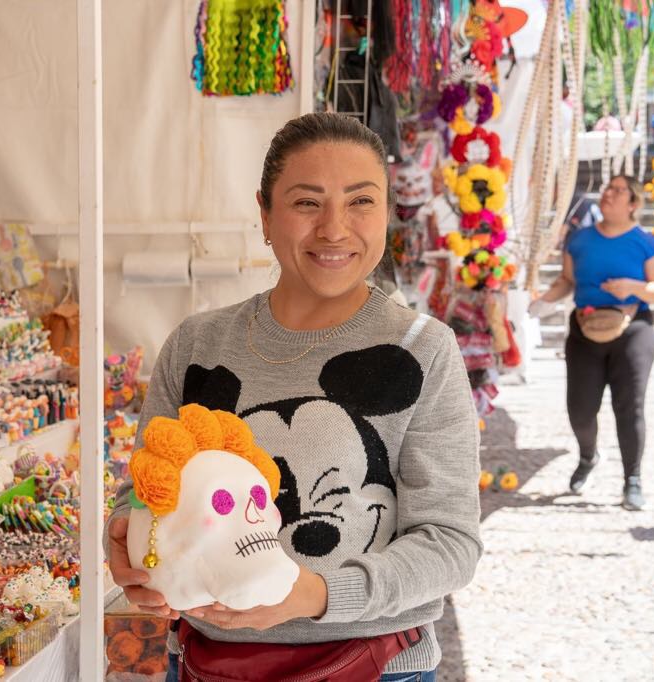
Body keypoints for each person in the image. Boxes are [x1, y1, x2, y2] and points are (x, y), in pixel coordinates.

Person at [105, 112, 482, 681]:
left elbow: (450, 544)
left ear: (387, 213)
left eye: (361, 202)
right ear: (264, 213)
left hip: (375, 667)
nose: (335, 228)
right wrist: (132, 547)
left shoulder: (422, 349)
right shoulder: (197, 346)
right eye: (307, 202)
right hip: (211, 665)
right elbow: (150, 491)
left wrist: (314, 594)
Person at [528, 175, 654, 510]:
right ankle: (588, 456)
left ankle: (632, 480)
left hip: (633, 327)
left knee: (629, 406)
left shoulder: (645, 242)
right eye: (608, 188)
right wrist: (542, 303)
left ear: (633, 204)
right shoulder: (579, 240)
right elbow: (567, 280)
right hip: (584, 328)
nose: (608, 193)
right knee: (580, 409)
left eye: (618, 191)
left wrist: (632, 287)